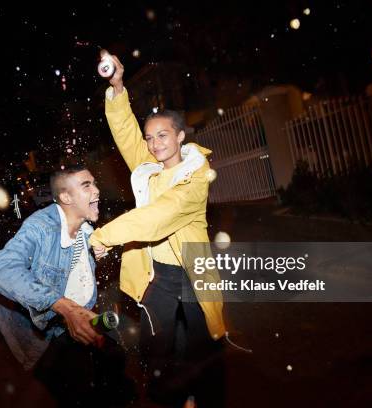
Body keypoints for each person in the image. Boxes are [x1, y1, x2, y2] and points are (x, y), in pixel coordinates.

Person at [89, 54, 229, 405]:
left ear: (180, 136)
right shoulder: (148, 168)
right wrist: (118, 88)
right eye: (150, 138)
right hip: (158, 276)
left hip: (193, 273)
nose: (154, 143)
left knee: (204, 348)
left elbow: (159, 217)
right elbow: (127, 136)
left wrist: (104, 234)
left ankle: (206, 398)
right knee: (157, 352)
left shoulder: (195, 175)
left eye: (162, 135)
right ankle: (172, 398)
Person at [0, 164, 132, 407]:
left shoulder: (86, 229)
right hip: (40, 333)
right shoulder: (42, 228)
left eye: (94, 183)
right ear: (66, 197)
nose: (97, 190)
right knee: (77, 393)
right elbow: (3, 269)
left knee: (115, 361)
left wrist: (96, 249)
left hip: (73, 320)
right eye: (86, 185)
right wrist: (65, 308)